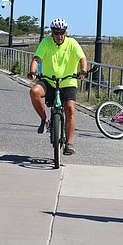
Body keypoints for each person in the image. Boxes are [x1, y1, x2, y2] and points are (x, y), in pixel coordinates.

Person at [27, 19, 87, 155]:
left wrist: (83, 71)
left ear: (66, 32)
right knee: (34, 91)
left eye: (62, 33)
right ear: (52, 33)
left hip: (68, 82)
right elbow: (36, 59)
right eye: (56, 33)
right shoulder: (46, 42)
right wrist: (32, 71)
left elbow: (82, 59)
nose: (59, 36)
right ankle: (45, 120)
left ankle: (69, 143)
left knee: (70, 109)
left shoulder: (72, 43)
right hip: (49, 81)